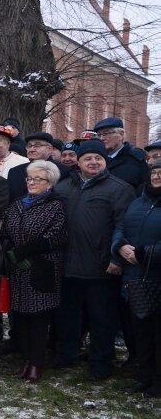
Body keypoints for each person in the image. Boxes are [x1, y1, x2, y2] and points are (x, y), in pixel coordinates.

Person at [54, 139, 135, 380]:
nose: (93, 162)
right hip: (67, 265)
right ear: (78, 162)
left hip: (101, 267)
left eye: (98, 158)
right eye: (88, 158)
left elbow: (125, 226)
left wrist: (117, 260)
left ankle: (101, 363)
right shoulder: (63, 187)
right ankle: (65, 355)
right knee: (67, 315)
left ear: (105, 161)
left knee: (102, 319)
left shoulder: (119, 189)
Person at [0, 161, 67, 383]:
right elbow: (6, 229)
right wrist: (10, 249)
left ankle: (37, 364)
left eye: (38, 179)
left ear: (50, 183)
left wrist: (25, 252)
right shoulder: (18, 203)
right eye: (29, 178)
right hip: (18, 270)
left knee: (38, 320)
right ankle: (26, 360)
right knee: (20, 319)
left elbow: (57, 236)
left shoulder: (55, 205)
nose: (32, 182)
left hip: (42, 269)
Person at [111, 158, 161, 398]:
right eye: (154, 171)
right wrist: (120, 246)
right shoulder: (138, 201)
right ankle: (144, 376)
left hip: (155, 273)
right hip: (136, 277)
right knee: (140, 329)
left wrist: (141, 254)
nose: (157, 176)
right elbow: (122, 225)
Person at [7, 132, 69, 201]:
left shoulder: (64, 172)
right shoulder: (14, 172)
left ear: (50, 149)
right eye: (29, 146)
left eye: (37, 146)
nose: (31, 149)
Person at [93, 117, 148, 192]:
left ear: (121, 135)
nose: (102, 138)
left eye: (106, 133)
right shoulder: (96, 159)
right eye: (99, 135)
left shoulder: (137, 159)